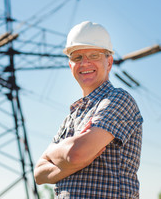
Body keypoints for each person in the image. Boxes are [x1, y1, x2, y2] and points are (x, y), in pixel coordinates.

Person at [34, 21, 143, 198]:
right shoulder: (72, 116)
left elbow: (76, 154)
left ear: (109, 62)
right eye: (77, 57)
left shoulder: (118, 99)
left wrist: (54, 152)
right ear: (70, 66)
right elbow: (38, 174)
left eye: (94, 55)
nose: (85, 63)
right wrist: (72, 157)